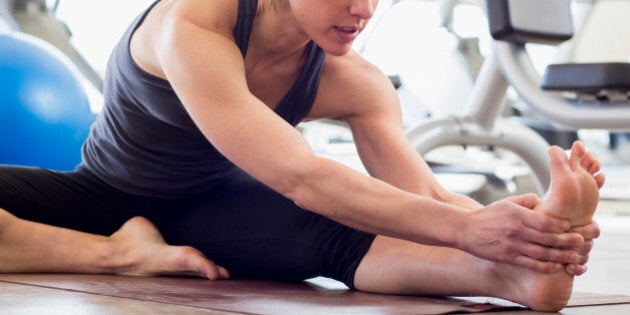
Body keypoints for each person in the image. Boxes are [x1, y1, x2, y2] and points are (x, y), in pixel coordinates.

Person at [0, 0, 604, 312]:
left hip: (214, 206)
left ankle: (512, 279)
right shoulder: (193, 25)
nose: (363, 8)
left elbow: (426, 195)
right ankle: (118, 253)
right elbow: (301, 175)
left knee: (336, 233)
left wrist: (518, 234)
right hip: (102, 193)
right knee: (322, 198)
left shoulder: (353, 80)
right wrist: (472, 227)